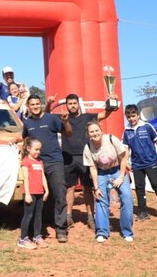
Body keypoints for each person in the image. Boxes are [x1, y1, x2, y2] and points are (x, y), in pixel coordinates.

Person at [47, 93, 117, 230]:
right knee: (69, 188)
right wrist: (49, 103)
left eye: (74, 103)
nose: (72, 106)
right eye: (69, 103)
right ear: (66, 105)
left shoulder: (87, 117)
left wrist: (111, 101)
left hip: (86, 157)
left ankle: (91, 217)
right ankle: (68, 217)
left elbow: (104, 114)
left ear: (78, 104)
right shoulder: (61, 118)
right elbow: (45, 116)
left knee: (87, 188)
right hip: (67, 158)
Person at [17, 94, 72, 243]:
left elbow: (68, 132)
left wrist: (66, 122)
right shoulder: (27, 123)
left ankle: (61, 229)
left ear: (41, 104)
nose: (35, 106)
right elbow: (25, 140)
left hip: (55, 162)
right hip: (36, 164)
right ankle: (37, 230)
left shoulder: (51, 118)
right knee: (39, 196)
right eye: (32, 104)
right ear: (28, 107)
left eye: (37, 103)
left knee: (60, 193)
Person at [83, 120, 134, 243]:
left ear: (101, 130)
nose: (95, 133)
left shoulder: (111, 139)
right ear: (88, 134)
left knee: (127, 197)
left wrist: (121, 177)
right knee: (101, 199)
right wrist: (96, 187)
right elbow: (92, 168)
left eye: (96, 130)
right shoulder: (88, 147)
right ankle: (102, 232)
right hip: (101, 172)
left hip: (117, 170)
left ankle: (127, 231)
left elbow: (123, 159)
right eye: (91, 132)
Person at [122, 104, 157, 223]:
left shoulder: (147, 126)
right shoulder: (126, 131)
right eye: (129, 117)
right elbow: (126, 149)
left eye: (133, 116)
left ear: (138, 115)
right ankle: (143, 212)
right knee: (139, 189)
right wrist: (126, 162)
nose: (131, 119)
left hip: (151, 163)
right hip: (137, 165)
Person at [17, 137, 50, 250]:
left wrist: (46, 190)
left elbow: (42, 176)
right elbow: (26, 178)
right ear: (28, 148)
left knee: (38, 216)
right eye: (36, 149)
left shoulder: (40, 161)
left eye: (39, 149)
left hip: (40, 192)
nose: (38, 152)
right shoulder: (26, 161)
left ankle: (37, 236)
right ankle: (23, 239)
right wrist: (27, 193)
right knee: (28, 215)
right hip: (30, 193)